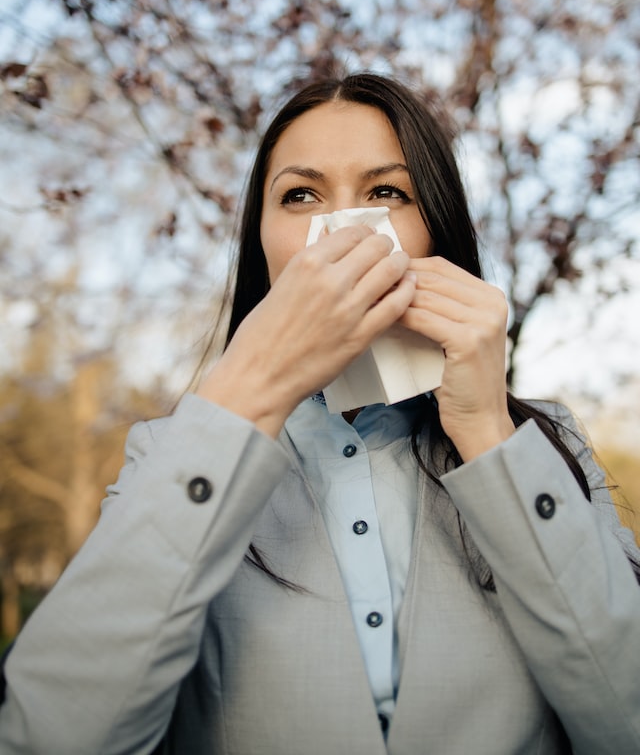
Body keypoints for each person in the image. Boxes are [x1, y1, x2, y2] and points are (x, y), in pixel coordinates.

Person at [0, 72, 639, 755]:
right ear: (263, 243)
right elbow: (49, 737)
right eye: (300, 195)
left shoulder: (543, 445)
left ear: (438, 232)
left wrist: (486, 429)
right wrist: (248, 390)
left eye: (387, 192)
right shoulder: (173, 455)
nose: (342, 232)